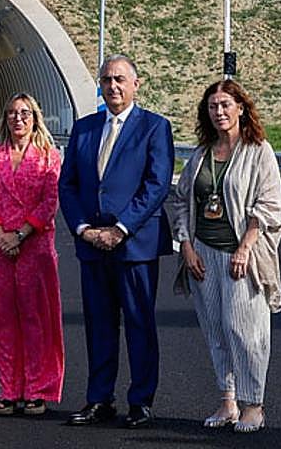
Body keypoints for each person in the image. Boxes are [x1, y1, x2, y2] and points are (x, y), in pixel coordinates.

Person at [167, 80, 281, 433]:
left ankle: (254, 405)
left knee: (246, 332)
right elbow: (181, 200)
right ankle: (227, 401)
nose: (219, 112)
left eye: (225, 105)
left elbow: (271, 203)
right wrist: (186, 246)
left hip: (241, 256)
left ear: (240, 108)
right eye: (212, 107)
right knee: (216, 330)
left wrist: (246, 246)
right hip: (203, 254)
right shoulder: (202, 153)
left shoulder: (258, 151)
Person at [58, 54, 173, 429]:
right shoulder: (85, 128)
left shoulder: (154, 127)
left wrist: (121, 228)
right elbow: (68, 184)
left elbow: (156, 185)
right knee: (99, 326)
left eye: (120, 79)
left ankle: (140, 402)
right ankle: (99, 399)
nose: (113, 86)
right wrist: (82, 229)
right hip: (92, 245)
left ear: (136, 84)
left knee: (139, 323)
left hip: (134, 245)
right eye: (107, 80)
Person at [0, 93, 64, 416]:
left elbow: (50, 200)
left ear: (35, 118)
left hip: (34, 246)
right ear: (5, 119)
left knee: (35, 318)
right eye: (12, 113)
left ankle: (37, 388)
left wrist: (21, 234)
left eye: (25, 113)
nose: (18, 119)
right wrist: (0, 234)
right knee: (3, 321)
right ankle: (9, 389)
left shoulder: (48, 157)